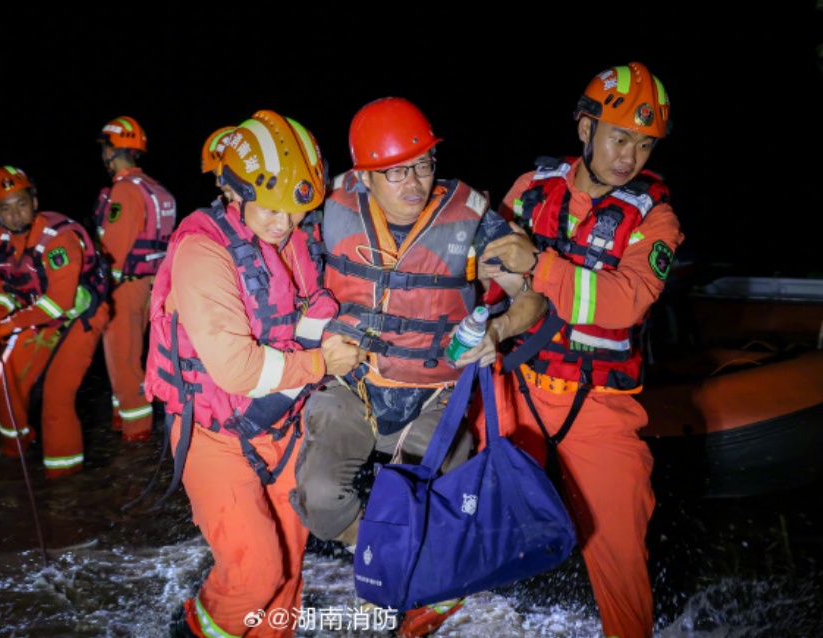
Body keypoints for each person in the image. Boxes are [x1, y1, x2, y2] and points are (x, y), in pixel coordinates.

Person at [289, 96, 547, 637]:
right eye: (397, 171)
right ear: (364, 176)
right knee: (316, 497)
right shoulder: (328, 209)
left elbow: (534, 297)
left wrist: (498, 328)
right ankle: (375, 548)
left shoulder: (470, 216)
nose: (415, 182)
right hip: (355, 386)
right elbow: (268, 241)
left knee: (441, 503)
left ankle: (425, 582)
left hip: (435, 394)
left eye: (424, 164)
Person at [480, 61, 684, 638]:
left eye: (644, 144)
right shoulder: (530, 188)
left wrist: (538, 265)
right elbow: (489, 277)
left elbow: (623, 302)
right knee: (467, 510)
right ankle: (425, 611)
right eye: (619, 137)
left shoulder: (656, 219)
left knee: (618, 544)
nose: (630, 157)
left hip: (596, 405)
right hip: (515, 387)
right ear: (584, 128)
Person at [145, 110, 366, 638]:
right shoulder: (203, 251)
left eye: (295, 210)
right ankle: (193, 630)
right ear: (235, 193)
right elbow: (236, 367)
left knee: (287, 577)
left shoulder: (290, 238)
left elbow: (314, 306)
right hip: (214, 437)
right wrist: (322, 362)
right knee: (256, 573)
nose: (284, 223)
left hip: (283, 430)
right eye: (272, 208)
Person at [0, 166, 110, 479]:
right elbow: (0, 292)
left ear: (34, 200)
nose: (15, 214)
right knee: (5, 378)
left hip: (80, 317)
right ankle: (15, 451)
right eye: (4, 208)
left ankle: (64, 479)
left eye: (20, 203)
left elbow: (60, 302)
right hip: (39, 316)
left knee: (57, 395)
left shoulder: (59, 238)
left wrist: (9, 326)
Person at [92, 116, 177, 442]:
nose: (103, 156)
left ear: (113, 150)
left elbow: (114, 248)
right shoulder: (157, 189)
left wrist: (99, 291)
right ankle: (121, 418)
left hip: (124, 287)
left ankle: (135, 436)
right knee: (131, 357)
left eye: (105, 149)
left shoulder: (124, 191)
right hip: (150, 284)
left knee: (124, 362)